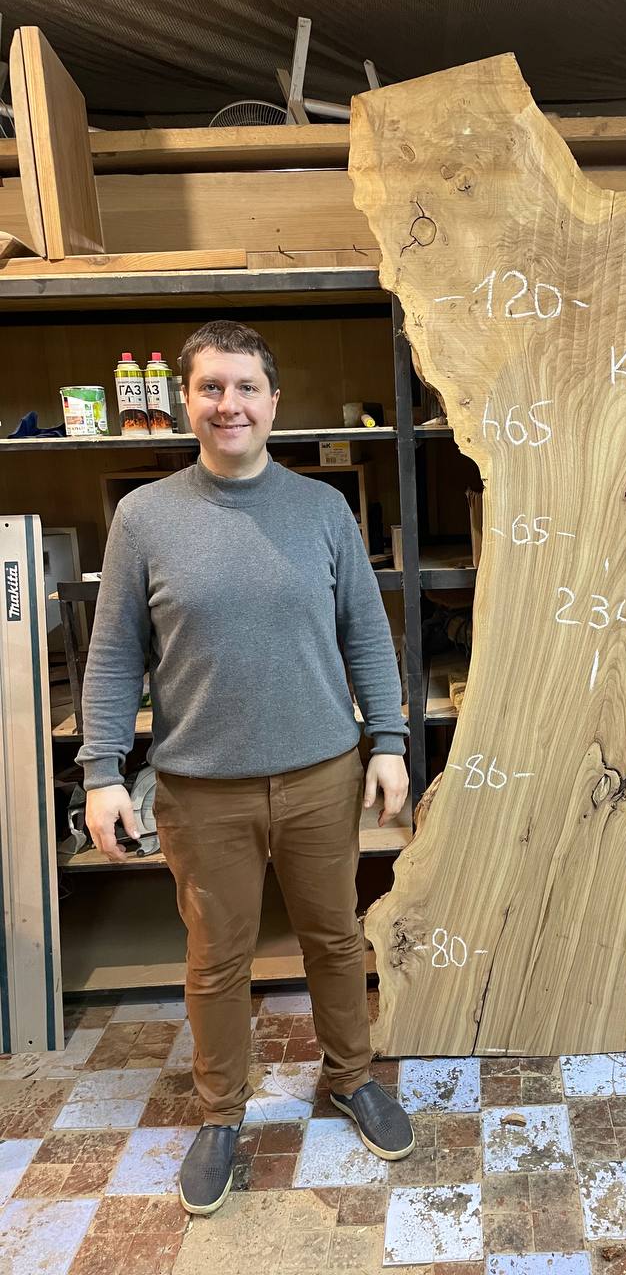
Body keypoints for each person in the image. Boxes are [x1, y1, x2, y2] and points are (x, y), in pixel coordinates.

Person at [79, 320, 414, 1215]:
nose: (230, 404)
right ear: (185, 401)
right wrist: (102, 771)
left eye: (246, 387)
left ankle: (350, 1076)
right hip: (201, 790)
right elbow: (113, 655)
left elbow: (367, 634)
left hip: (320, 777)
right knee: (216, 958)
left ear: (274, 402)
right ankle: (221, 1113)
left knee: (335, 938)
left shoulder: (323, 510)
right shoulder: (144, 518)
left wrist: (388, 741)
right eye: (211, 387)